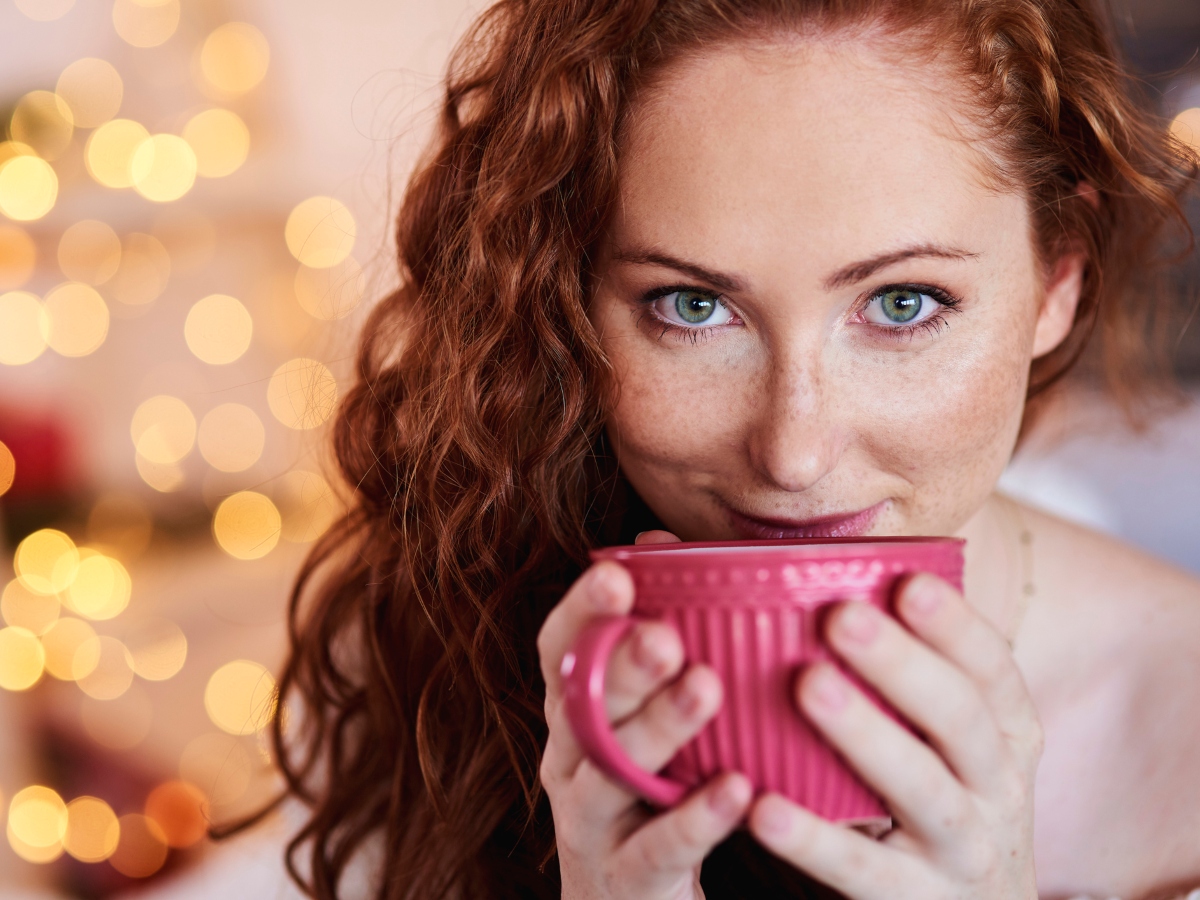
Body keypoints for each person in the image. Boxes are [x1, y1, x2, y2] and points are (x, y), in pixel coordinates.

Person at [269, 0, 1200, 897]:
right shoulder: (429, 655)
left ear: (1056, 285)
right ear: (569, 306)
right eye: (693, 306)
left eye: (903, 303)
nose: (793, 454)